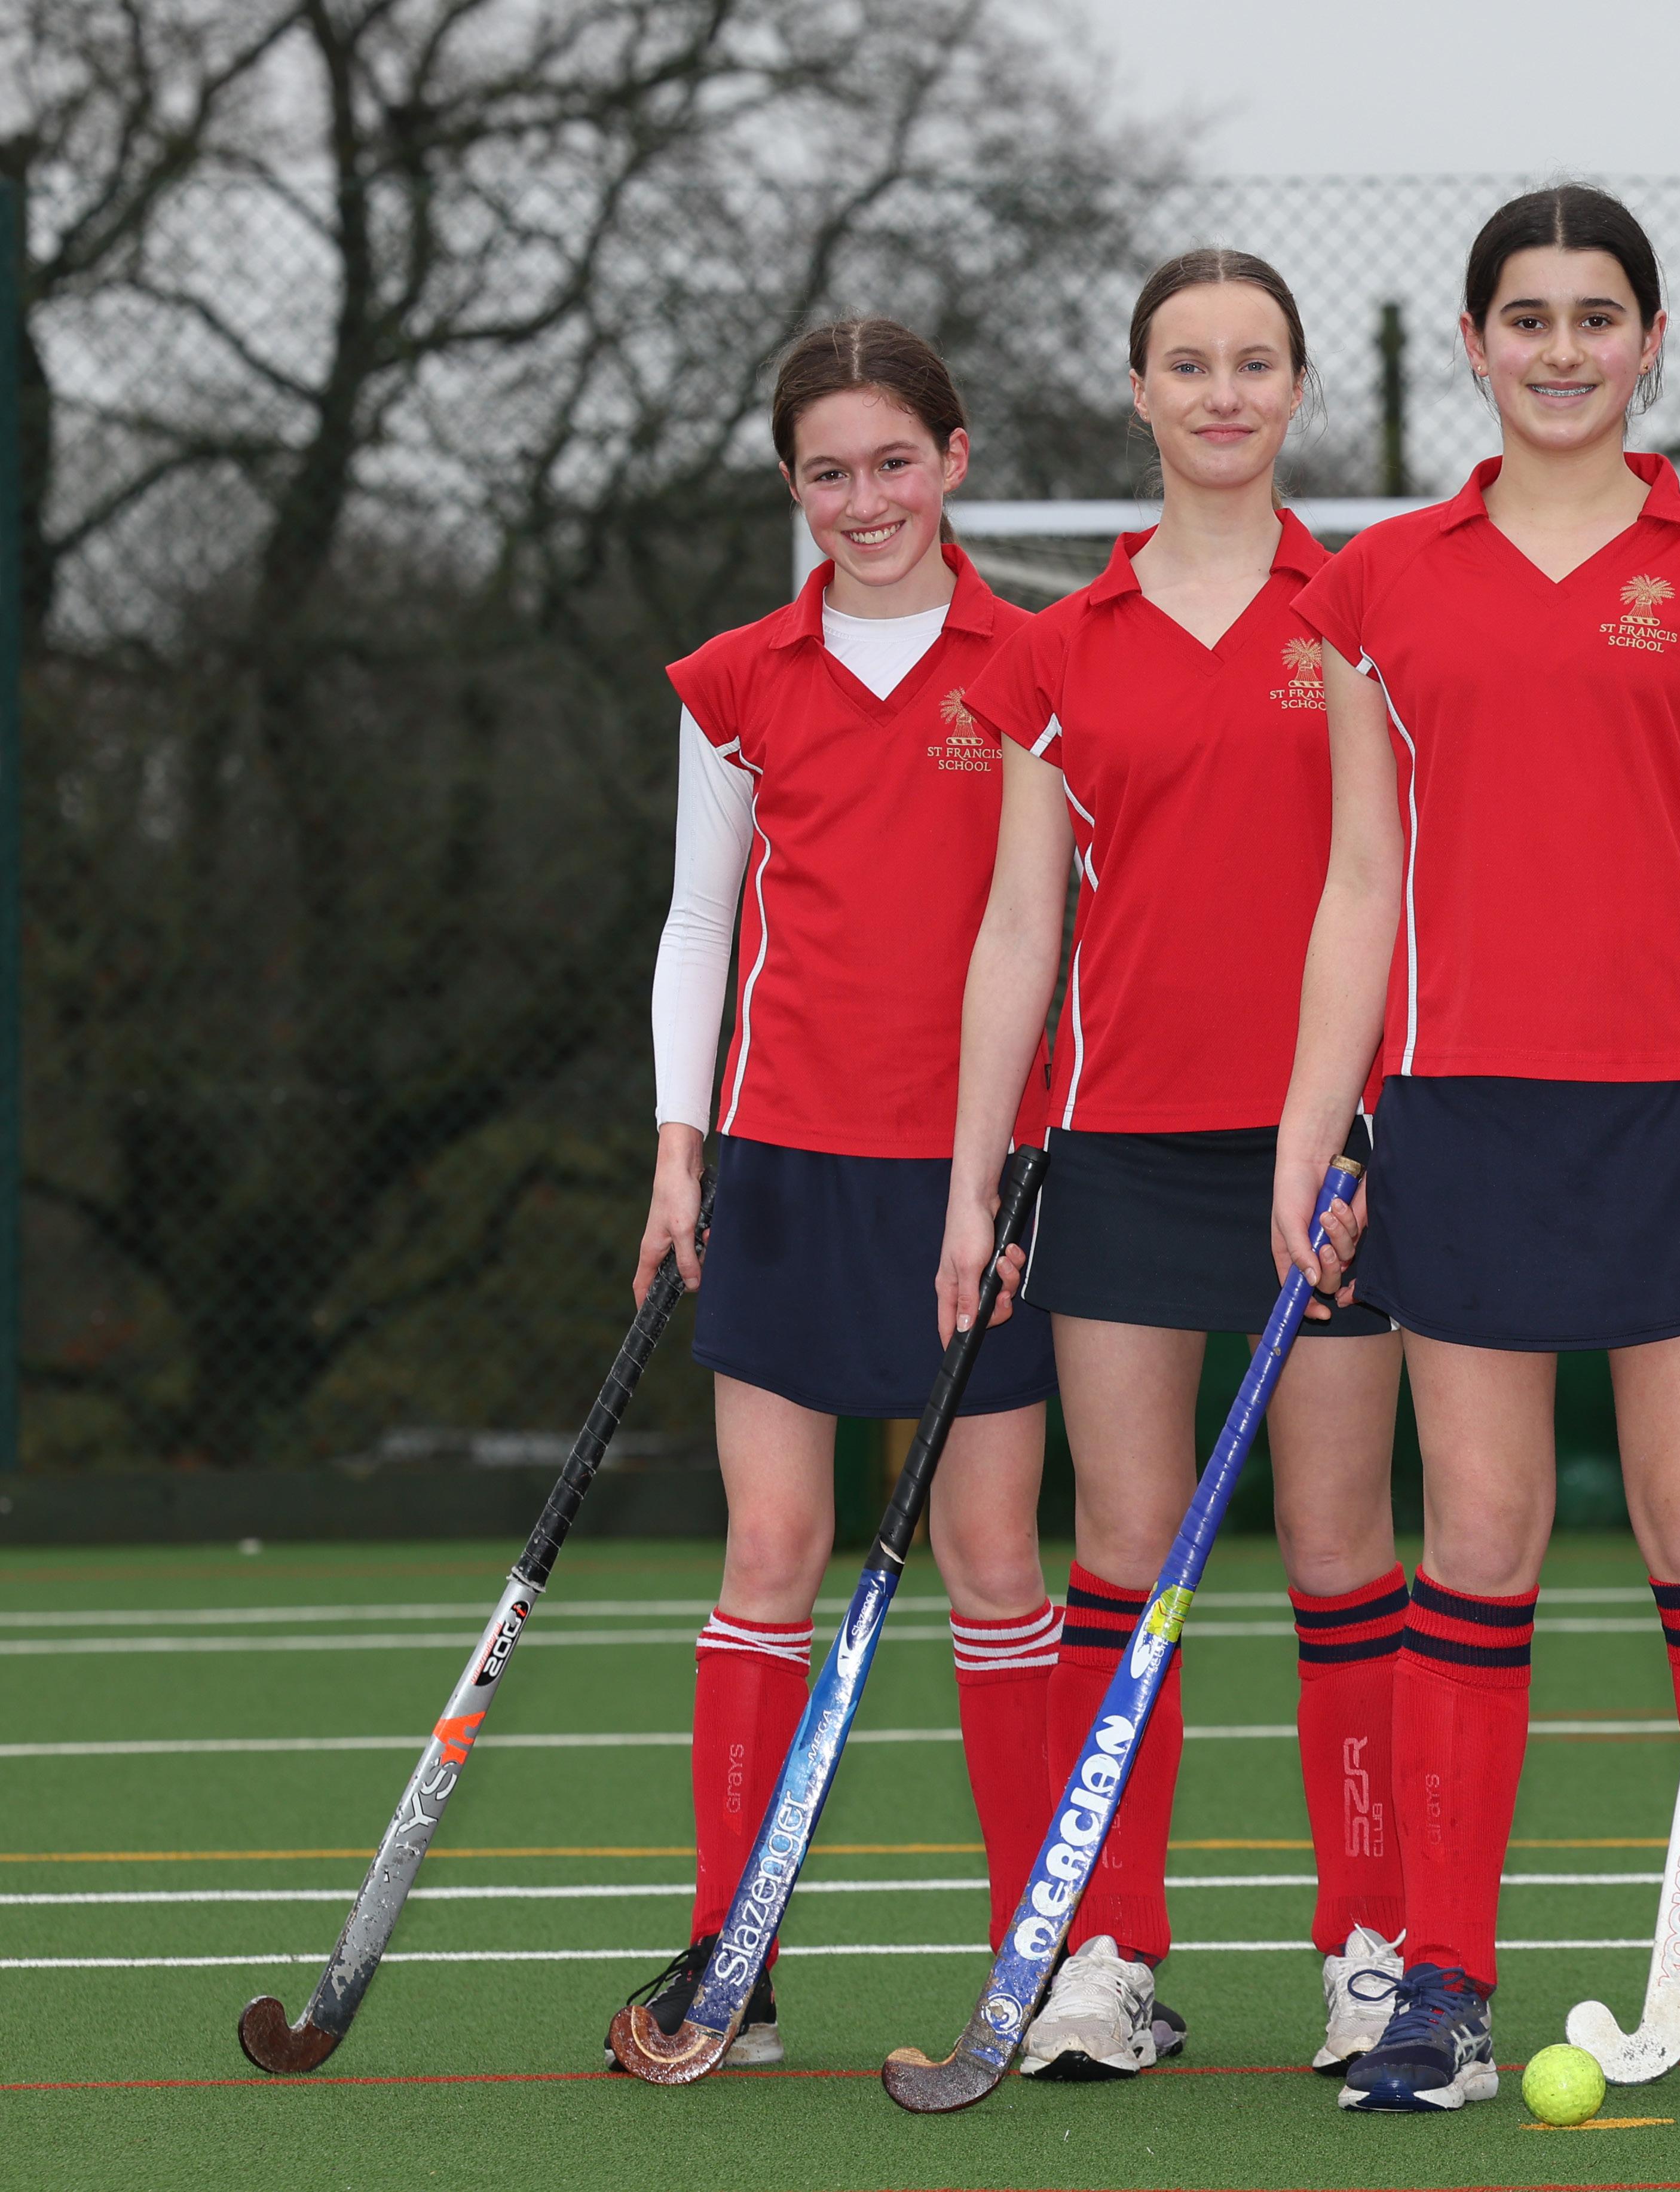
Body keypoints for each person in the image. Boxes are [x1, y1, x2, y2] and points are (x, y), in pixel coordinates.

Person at [1269, 185, 1680, 2113]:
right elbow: (1360, 877)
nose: (1561, 349)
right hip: (1456, 1118)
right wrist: (1309, 1133)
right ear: (1475, 343)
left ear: (1647, 342)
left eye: (1595, 316)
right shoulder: (1376, 583)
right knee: (1480, 1541)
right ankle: (1441, 1989)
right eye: (1526, 317)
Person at [941, 249, 1409, 2081]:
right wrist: (975, 1179)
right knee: (1124, 1549)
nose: (1223, 394)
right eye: (1189, 364)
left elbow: (1395, 886)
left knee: (1341, 1546)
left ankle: (1370, 1942)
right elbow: (1015, 933)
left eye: (1255, 362)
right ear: (1137, 390)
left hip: (1334, 1148)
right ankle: (1105, 1952)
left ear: (1297, 389)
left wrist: (1351, 1118)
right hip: (1126, 1146)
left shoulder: (1365, 608)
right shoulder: (1054, 648)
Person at [619, 317, 1057, 2065]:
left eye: (893, 462)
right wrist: (680, 1147)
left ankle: (1032, 1964)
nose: (864, 502)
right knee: (772, 1549)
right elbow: (698, 921)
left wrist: (1004, 1166)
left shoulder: (1038, 660)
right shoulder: (738, 680)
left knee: (992, 1556)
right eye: (827, 473)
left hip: (981, 1169)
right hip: (789, 1160)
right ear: (791, 486)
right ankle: (733, 1963)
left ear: (955, 459)